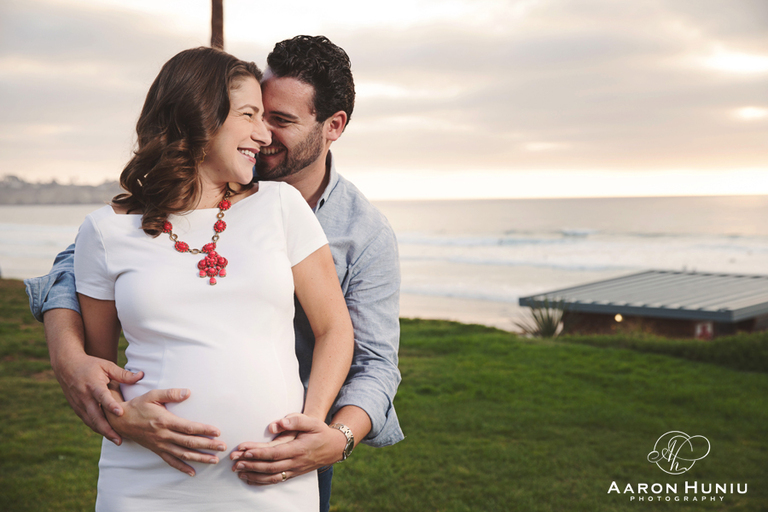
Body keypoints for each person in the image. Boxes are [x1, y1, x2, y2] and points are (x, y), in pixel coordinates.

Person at [25, 35, 403, 512]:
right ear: (202, 118)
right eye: (253, 114)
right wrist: (69, 357)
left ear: (333, 126)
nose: (264, 135)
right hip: (147, 481)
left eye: (278, 120)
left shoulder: (346, 228)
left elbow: (369, 355)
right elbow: (77, 278)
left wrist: (333, 436)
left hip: (281, 464)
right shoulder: (111, 228)